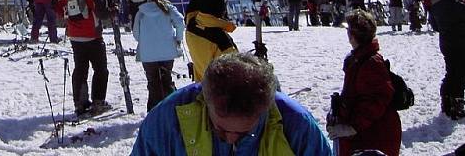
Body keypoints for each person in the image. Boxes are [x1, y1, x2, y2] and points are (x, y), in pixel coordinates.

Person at [131, 52, 332, 156]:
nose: (230, 139)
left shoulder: (295, 125)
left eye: (245, 133)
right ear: (205, 100)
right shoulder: (168, 119)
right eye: (219, 129)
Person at [327, 10, 401, 156]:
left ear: (353, 36)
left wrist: (353, 127)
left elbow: (378, 100)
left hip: (374, 136)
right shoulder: (358, 58)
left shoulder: (371, 62)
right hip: (363, 135)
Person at [56, 0, 112, 116]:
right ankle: (98, 102)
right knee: (100, 70)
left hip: (75, 36)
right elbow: (103, 14)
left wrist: (68, 20)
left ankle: (80, 103)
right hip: (93, 36)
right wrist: (113, 11)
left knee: (80, 70)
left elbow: (57, 5)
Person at [133, 0, 185, 111]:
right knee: (166, 80)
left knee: (153, 82)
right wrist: (178, 39)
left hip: (148, 54)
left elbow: (135, 33)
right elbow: (180, 23)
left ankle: (153, 110)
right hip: (167, 51)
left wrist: (144, 41)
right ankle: (170, 109)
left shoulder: (142, 11)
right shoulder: (168, 8)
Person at [432, 0, 465, 119]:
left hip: (445, 43)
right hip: (460, 43)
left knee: (451, 72)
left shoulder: (436, 7)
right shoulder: (457, 5)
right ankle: (456, 105)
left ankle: (446, 102)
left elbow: (435, 27)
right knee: (461, 73)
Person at [184, 0, 237, 82]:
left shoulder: (191, 23)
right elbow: (236, 71)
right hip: (218, 91)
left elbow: (192, 7)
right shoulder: (221, 39)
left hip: (201, 86)